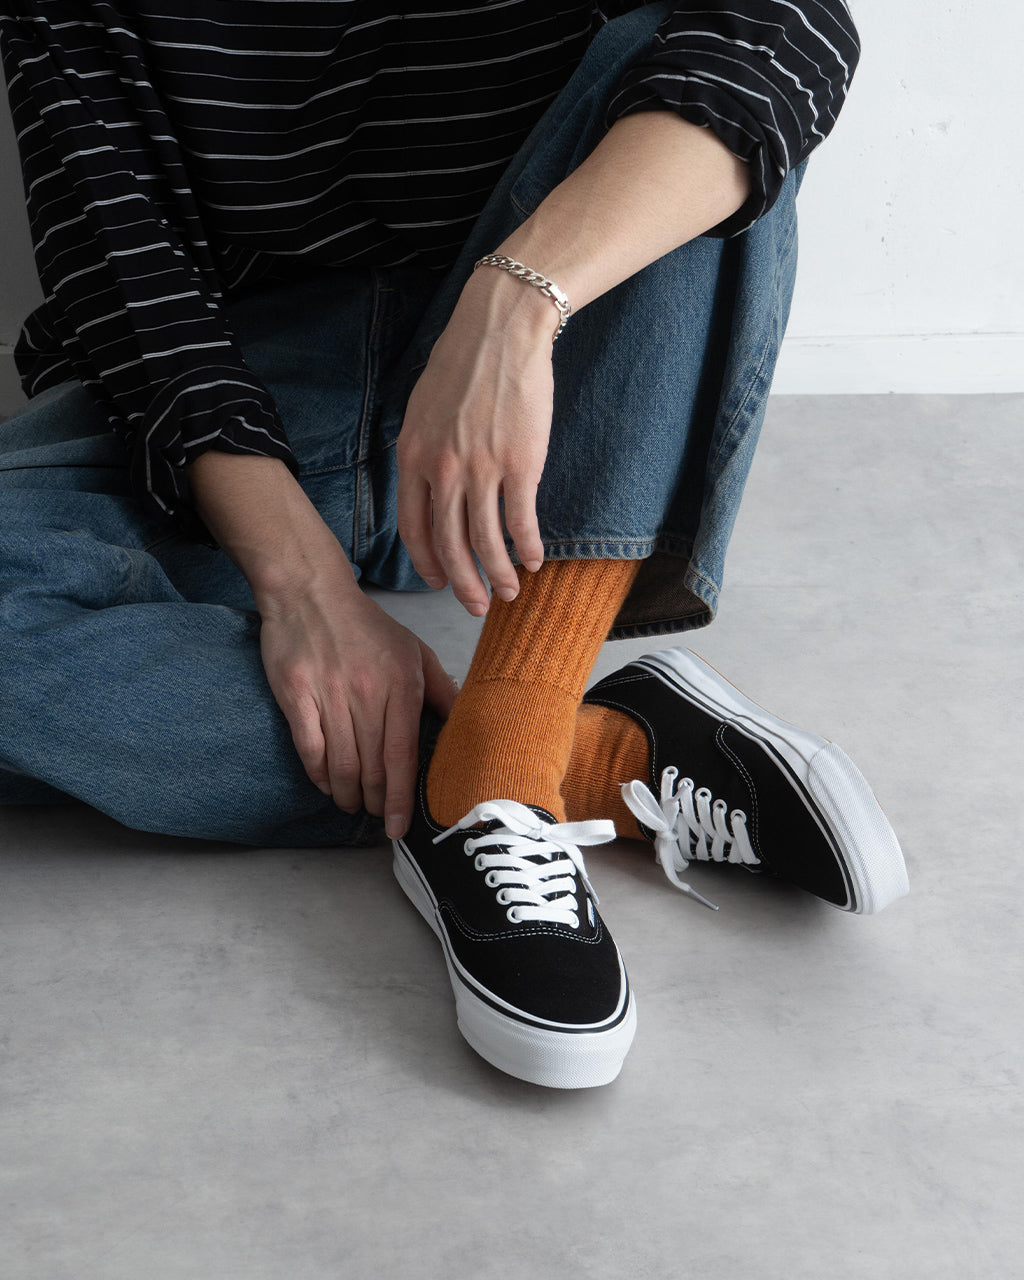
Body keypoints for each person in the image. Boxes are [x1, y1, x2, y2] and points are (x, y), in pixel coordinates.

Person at [0, 0, 906, 1090]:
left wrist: (513, 310)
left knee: (701, 68)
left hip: (545, 388)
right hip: (235, 406)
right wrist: (304, 589)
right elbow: (125, 268)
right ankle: (577, 758)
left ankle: (505, 747)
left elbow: (787, 28)